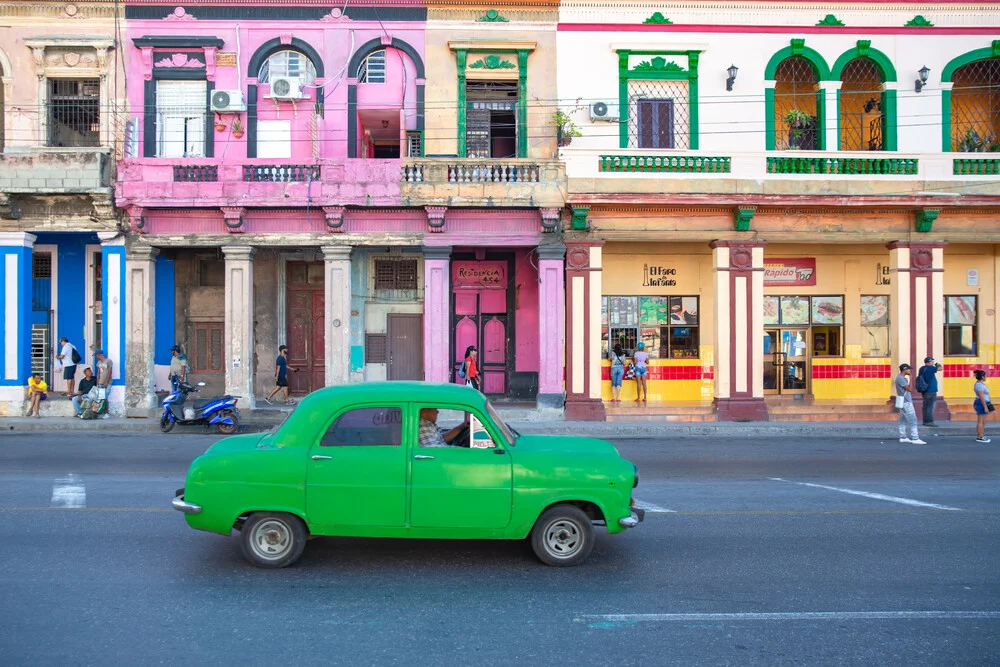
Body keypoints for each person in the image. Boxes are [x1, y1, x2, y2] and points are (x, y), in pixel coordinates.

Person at [895, 363, 925, 445]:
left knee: (902, 420)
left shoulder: (900, 378)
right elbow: (910, 389)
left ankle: (903, 437)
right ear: (904, 369)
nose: (909, 371)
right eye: (908, 369)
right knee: (913, 420)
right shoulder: (901, 379)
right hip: (906, 402)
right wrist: (911, 378)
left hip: (903, 402)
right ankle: (915, 438)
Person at [917, 356, 942, 426]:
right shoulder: (931, 368)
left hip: (924, 390)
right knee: (930, 406)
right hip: (931, 390)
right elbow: (940, 368)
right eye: (932, 362)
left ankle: (925, 421)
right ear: (929, 362)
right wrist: (937, 364)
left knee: (925, 406)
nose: (933, 363)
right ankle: (929, 421)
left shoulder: (922, 368)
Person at [973, 369, 992, 443]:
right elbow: (981, 396)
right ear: (983, 377)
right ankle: (979, 437)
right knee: (980, 421)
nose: (986, 377)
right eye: (985, 375)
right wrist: (985, 406)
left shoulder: (980, 384)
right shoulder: (979, 385)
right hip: (981, 403)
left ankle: (981, 435)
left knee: (983, 421)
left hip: (982, 403)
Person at [94, 350, 113, 419]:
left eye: (96, 355)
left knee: (105, 397)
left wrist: (106, 382)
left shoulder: (108, 361)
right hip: (100, 383)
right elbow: (98, 373)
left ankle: (106, 412)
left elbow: (110, 372)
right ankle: (100, 412)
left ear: (99, 354)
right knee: (101, 398)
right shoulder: (99, 363)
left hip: (107, 383)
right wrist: (97, 382)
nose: (96, 357)